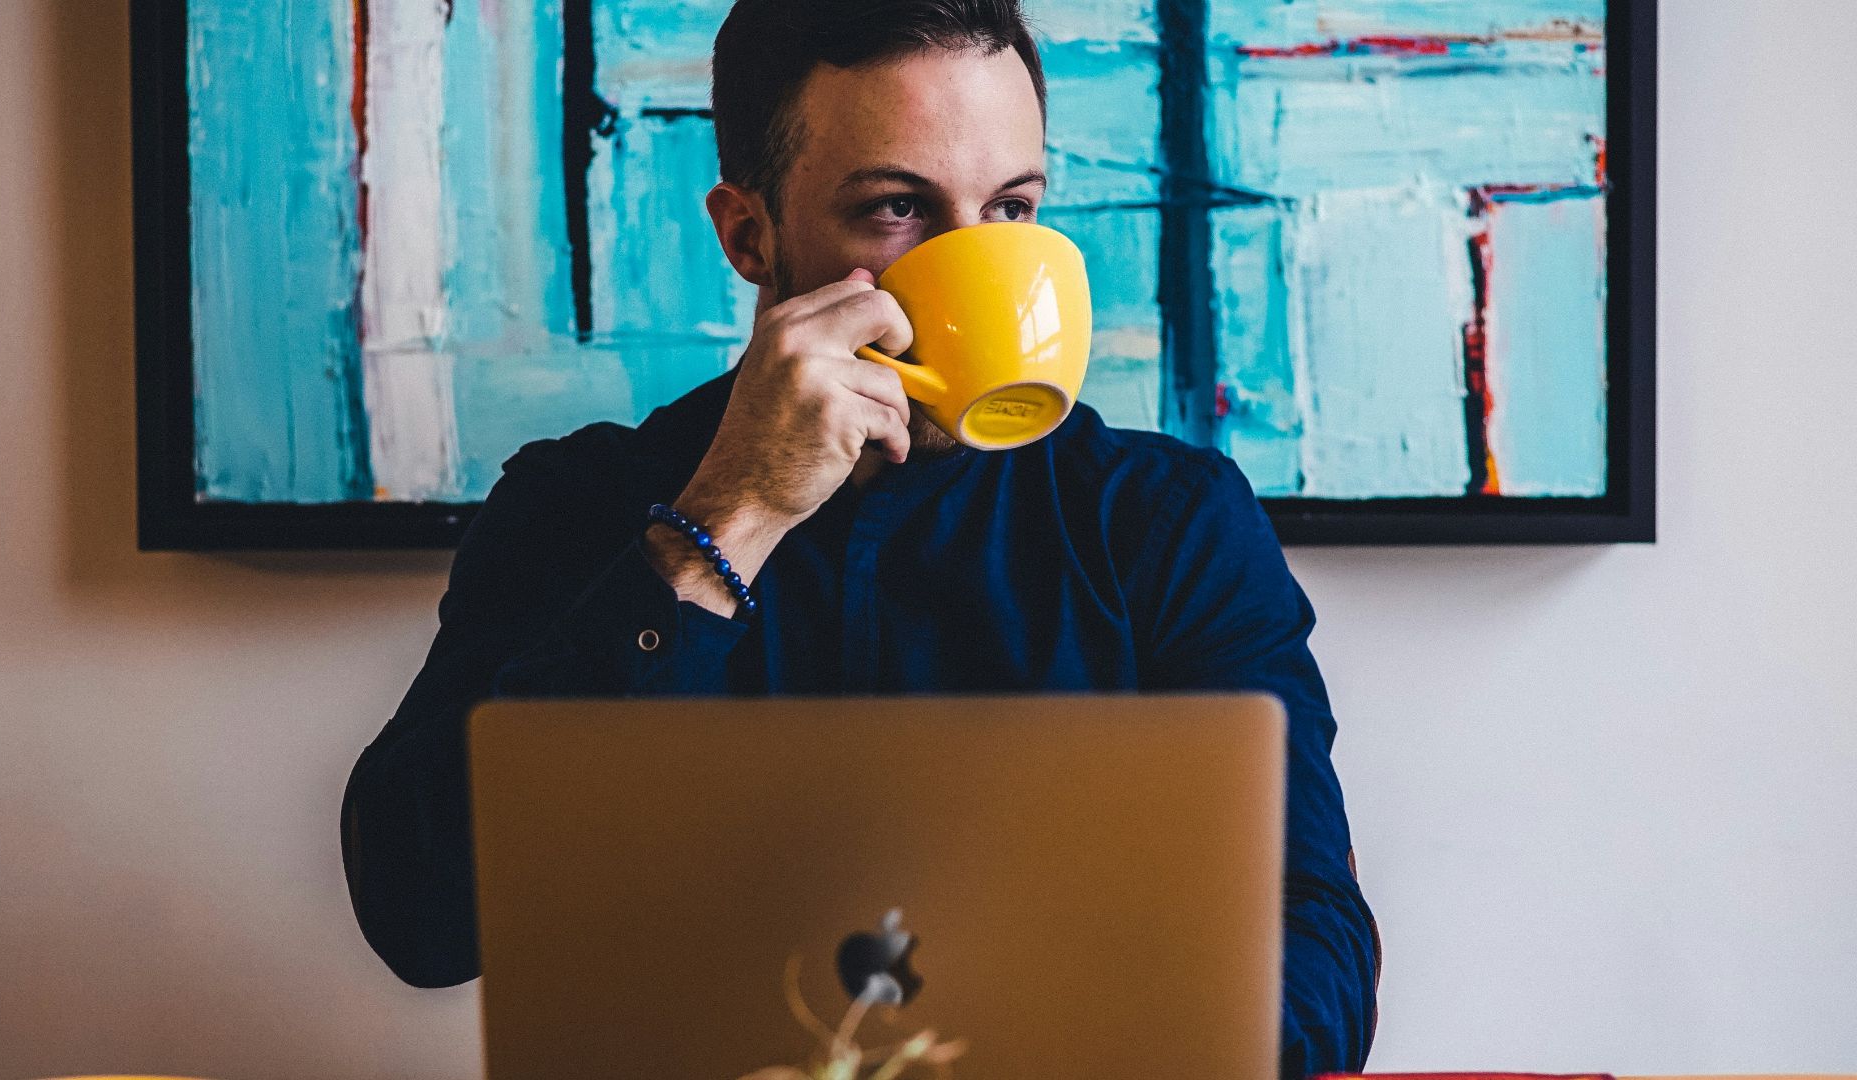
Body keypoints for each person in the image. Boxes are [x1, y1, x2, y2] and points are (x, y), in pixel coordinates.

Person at [340, 1, 1380, 1074]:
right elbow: (421, 919)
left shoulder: (1165, 523)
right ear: (749, 235)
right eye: (898, 208)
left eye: (1011, 208)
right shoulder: (578, 504)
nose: (975, 264)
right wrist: (722, 527)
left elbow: (1316, 936)